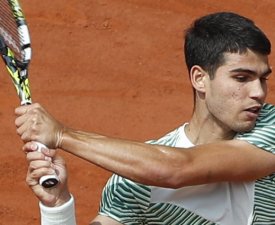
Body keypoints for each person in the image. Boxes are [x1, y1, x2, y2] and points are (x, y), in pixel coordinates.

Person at [16, 12, 275, 224]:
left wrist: (62, 135)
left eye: (263, 78)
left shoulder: (270, 125)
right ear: (199, 79)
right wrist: (57, 206)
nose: (259, 92)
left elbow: (177, 169)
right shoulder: (133, 184)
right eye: (242, 78)